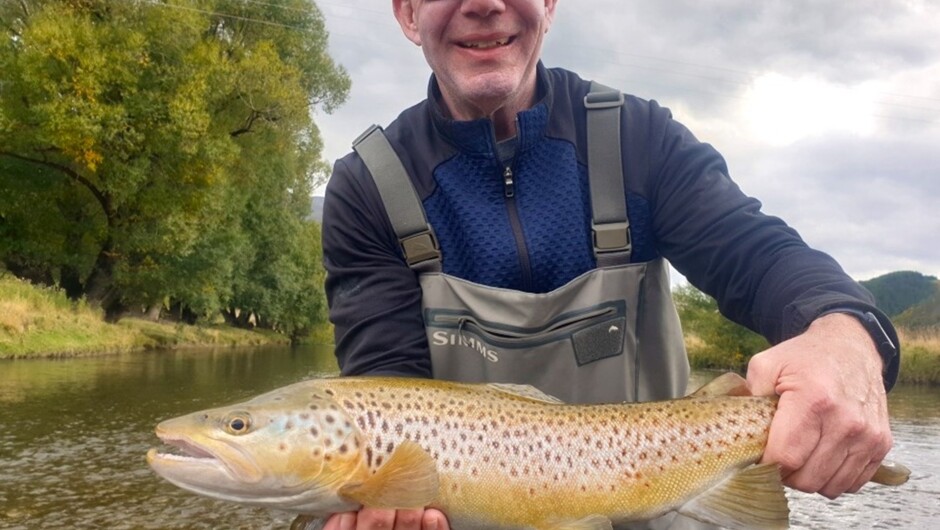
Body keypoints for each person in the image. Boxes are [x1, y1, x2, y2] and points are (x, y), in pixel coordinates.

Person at [320, 1, 901, 529]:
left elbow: (756, 253)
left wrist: (845, 332)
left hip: (663, 503)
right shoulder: (369, 186)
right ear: (408, 14)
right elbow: (383, 381)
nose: (485, 4)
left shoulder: (636, 137)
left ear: (548, 5)